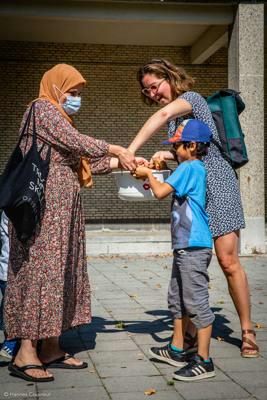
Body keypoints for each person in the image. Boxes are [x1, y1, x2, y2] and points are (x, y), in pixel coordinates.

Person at [5, 63, 136, 383]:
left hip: (63, 217)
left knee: (61, 275)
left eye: (78, 94)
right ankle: (24, 352)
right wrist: (116, 146)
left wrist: (131, 161)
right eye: (72, 93)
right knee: (39, 275)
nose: (76, 99)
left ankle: (50, 346)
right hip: (41, 217)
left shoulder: (61, 122)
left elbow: (87, 160)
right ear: (55, 88)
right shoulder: (41, 110)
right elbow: (77, 142)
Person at [128, 58, 259, 358]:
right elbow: (195, 154)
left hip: (221, 188)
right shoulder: (178, 121)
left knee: (228, 262)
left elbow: (162, 114)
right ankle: (186, 338)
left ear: (169, 78)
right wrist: (167, 154)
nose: (151, 94)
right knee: (188, 264)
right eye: (146, 91)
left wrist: (130, 151)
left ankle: (248, 330)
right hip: (196, 195)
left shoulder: (191, 100)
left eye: (154, 86)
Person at [134, 119, 215, 381]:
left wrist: (148, 174)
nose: (174, 150)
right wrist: (161, 170)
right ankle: (178, 348)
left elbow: (159, 192)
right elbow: (175, 184)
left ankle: (204, 360)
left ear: (191, 145)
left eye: (177, 146)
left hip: (192, 245)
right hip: (187, 246)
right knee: (177, 298)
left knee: (195, 302)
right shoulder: (193, 167)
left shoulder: (189, 167)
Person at [0, 211, 19, 362]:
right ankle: (11, 342)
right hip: (9, 271)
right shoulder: (12, 209)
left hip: (13, 270)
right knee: (10, 308)